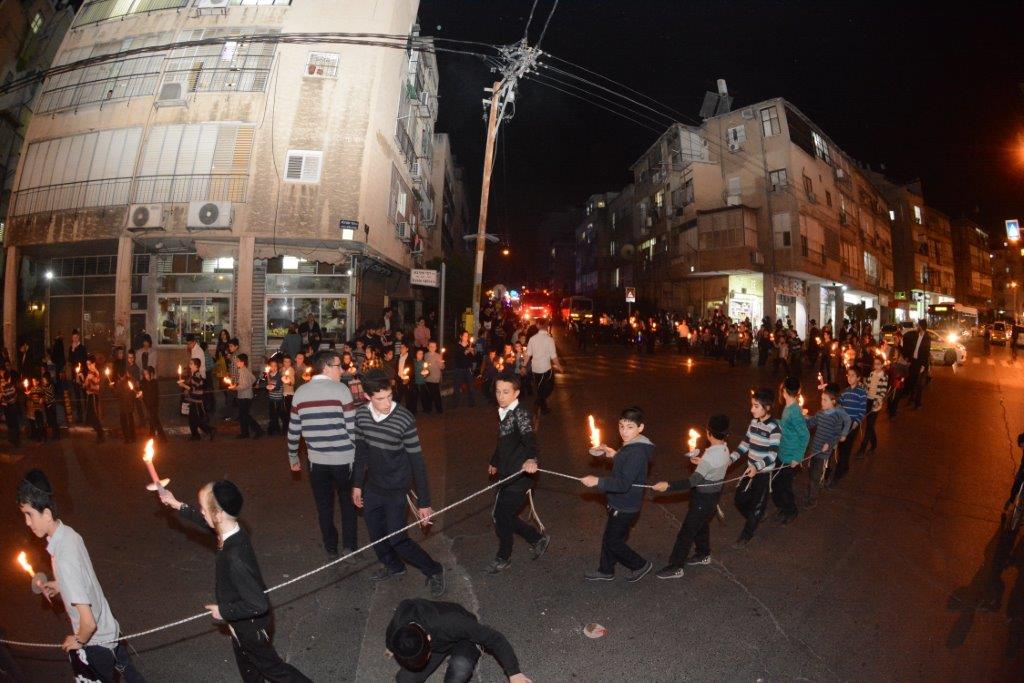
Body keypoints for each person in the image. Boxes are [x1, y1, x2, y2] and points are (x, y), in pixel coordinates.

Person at [157, 481, 312, 682]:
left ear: (218, 515)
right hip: (241, 624)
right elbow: (207, 522)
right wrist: (177, 504)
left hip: (251, 627)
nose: (202, 512)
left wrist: (223, 611)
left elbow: (257, 604)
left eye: (204, 509)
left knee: (274, 670)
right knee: (249, 669)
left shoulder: (235, 556)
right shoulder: (231, 530)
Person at [18, 470, 144, 682]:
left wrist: (78, 640)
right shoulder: (69, 534)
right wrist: (61, 585)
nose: (27, 522)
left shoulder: (63, 557)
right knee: (132, 676)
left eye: (29, 514)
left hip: (97, 644)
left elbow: (88, 622)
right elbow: (81, 577)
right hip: (110, 628)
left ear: (46, 514)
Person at [351, 371, 446, 595]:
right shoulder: (361, 416)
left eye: (389, 397)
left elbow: (418, 463)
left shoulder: (404, 418)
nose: (386, 404)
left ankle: (434, 570)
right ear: (367, 397)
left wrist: (424, 502)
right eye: (380, 399)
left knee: (397, 538)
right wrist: (356, 484)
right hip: (373, 486)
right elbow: (361, 452)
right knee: (375, 533)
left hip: (397, 488)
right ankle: (394, 566)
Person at [287, 350, 359, 561]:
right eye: (338, 366)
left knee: (324, 506)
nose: (342, 370)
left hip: (316, 463)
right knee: (348, 504)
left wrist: (293, 456)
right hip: (344, 460)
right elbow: (352, 429)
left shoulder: (300, 393)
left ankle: (330, 546)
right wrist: (361, 458)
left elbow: (293, 431)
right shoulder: (341, 391)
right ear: (326, 367)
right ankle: (349, 547)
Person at [579, 406, 655, 583]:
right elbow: (625, 462)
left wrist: (598, 481)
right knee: (609, 538)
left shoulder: (637, 452)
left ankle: (639, 565)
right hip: (619, 503)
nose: (624, 431)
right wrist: (612, 453)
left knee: (613, 541)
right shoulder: (633, 445)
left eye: (630, 427)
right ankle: (606, 570)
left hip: (625, 505)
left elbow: (623, 483)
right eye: (621, 426)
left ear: (640, 428)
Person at [653, 414, 732, 579]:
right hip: (713, 498)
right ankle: (703, 554)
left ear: (708, 433)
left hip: (703, 499)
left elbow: (693, 481)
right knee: (702, 525)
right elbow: (713, 467)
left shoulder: (710, 457)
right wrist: (702, 462)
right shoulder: (724, 449)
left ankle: (676, 566)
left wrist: (668, 486)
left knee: (686, 533)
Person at [486, 373, 548, 574]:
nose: (500, 396)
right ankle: (537, 538)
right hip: (507, 472)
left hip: (520, 476)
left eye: (506, 392)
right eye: (498, 391)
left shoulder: (520, 414)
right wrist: (495, 461)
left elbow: (530, 439)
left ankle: (504, 556)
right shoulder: (504, 411)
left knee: (500, 516)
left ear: (517, 393)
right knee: (504, 515)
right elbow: (503, 440)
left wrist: (532, 459)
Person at [387, 598, 532, 683]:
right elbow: (391, 637)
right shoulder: (398, 628)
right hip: (438, 643)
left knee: (459, 669)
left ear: (429, 638)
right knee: (404, 680)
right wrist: (393, 648)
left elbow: (495, 639)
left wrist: (514, 673)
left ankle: (476, 646)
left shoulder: (451, 622)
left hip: (464, 637)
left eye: (425, 657)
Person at [731, 388, 781, 549]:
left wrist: (757, 467)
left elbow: (773, 455)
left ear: (767, 408)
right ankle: (755, 517)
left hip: (763, 474)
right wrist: (730, 459)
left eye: (756, 406)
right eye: (752, 405)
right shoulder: (753, 422)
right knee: (739, 499)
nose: (752, 409)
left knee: (757, 506)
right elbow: (745, 444)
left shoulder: (774, 428)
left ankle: (747, 534)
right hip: (749, 471)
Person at [803, 384, 851, 508]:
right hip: (815, 449)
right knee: (811, 471)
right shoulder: (820, 414)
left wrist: (829, 444)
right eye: (821, 399)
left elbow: (836, 434)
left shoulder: (837, 417)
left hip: (824, 452)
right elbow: (810, 423)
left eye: (825, 400)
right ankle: (811, 492)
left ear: (833, 401)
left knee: (816, 475)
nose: (822, 402)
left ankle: (813, 499)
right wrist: (802, 417)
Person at [772, 377, 809, 524]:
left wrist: (797, 458)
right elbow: (787, 426)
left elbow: (805, 435)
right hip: (782, 453)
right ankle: (783, 507)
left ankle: (791, 510)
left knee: (784, 487)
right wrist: (775, 422)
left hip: (790, 457)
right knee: (776, 485)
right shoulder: (789, 407)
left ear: (784, 392)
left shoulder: (793, 411)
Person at [832, 366, 867, 485]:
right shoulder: (845, 391)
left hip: (852, 424)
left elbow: (862, 410)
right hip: (843, 423)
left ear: (858, 378)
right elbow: (839, 404)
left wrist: (856, 422)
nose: (849, 377)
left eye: (852, 375)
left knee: (846, 447)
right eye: (848, 375)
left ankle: (839, 471)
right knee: (842, 446)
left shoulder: (861, 393)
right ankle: (844, 466)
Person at [524, 319, 561, 416]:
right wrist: (559, 367)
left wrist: (524, 365)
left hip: (535, 368)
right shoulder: (549, 339)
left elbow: (528, 354)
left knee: (540, 388)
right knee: (549, 387)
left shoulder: (532, 339)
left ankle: (542, 406)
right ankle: (539, 402)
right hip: (545, 369)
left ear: (538, 326)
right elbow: (553, 356)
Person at [857, 355, 889, 456]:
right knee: (870, 425)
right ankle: (874, 443)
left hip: (876, 402)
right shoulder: (871, 374)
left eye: (878, 364)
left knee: (869, 426)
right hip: (868, 400)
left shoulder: (884, 376)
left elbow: (883, 391)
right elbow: (867, 387)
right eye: (875, 364)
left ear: (882, 364)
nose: (876, 366)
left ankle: (863, 448)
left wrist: (879, 402)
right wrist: (861, 384)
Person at [177, 358, 215, 441]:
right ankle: (196, 435)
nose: (189, 365)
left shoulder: (197, 375)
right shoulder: (193, 375)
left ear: (196, 366)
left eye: (191, 364)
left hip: (197, 401)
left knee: (196, 420)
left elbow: (194, 388)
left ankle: (209, 430)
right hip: (193, 400)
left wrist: (183, 385)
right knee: (192, 419)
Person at [228, 354, 264, 439]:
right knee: (243, 415)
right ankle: (245, 433)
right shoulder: (245, 370)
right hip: (246, 396)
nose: (236, 362)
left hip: (245, 397)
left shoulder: (242, 371)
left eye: (237, 361)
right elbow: (253, 379)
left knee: (245, 415)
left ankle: (258, 430)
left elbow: (244, 386)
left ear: (242, 362)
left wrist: (235, 388)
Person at [901, 319, 931, 409]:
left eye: (918, 325)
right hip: (914, 362)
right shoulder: (917, 335)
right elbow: (912, 347)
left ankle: (918, 404)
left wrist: (923, 366)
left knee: (919, 384)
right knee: (912, 381)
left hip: (920, 363)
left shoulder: (927, 337)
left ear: (921, 326)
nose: (917, 327)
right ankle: (911, 400)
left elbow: (926, 352)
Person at [139, 366, 168, 442]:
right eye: (144, 374)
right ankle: (151, 433)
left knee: (155, 420)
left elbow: (154, 395)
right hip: (147, 403)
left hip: (154, 404)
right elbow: (141, 390)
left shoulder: (154, 382)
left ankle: (163, 438)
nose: (146, 376)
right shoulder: (143, 382)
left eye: (147, 374)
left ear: (151, 374)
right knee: (152, 419)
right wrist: (140, 394)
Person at [81, 355, 105, 443]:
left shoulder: (93, 372)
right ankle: (100, 433)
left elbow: (88, 384)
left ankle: (100, 433)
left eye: (89, 364)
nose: (88, 366)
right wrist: (83, 378)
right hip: (90, 395)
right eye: (87, 364)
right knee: (91, 416)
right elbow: (85, 384)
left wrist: (86, 380)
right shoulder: (90, 372)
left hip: (94, 395)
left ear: (93, 363)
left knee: (93, 416)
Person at [450, 332, 476, 408]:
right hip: (459, 369)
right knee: (457, 387)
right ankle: (455, 403)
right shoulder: (457, 346)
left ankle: (472, 403)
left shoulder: (470, 345)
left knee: (471, 387)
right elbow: (456, 357)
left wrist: (472, 352)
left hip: (468, 369)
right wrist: (465, 352)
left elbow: (473, 359)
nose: (466, 337)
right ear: (461, 336)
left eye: (467, 336)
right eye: (465, 336)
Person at [265, 358, 287, 436]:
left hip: (278, 399)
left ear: (277, 367)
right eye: (272, 366)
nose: (273, 368)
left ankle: (285, 429)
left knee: (280, 414)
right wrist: (267, 376)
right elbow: (268, 384)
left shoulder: (279, 376)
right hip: (271, 398)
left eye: (275, 366)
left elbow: (276, 387)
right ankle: (274, 429)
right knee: (272, 414)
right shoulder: (269, 374)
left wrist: (271, 388)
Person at [423, 341, 444, 414]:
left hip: (435, 378)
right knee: (429, 394)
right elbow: (424, 365)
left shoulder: (438, 356)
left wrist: (441, 363)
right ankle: (428, 409)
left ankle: (439, 409)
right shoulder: (425, 355)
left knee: (436, 394)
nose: (432, 348)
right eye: (431, 346)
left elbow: (442, 367)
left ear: (436, 348)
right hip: (427, 377)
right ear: (428, 347)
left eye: (434, 347)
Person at [1, 368, 20, 447]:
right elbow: (14, 395)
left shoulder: (3, 387)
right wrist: (15, 396)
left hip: (7, 407)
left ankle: (12, 439)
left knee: (10, 424)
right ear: (9, 378)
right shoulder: (10, 386)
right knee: (15, 423)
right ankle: (16, 441)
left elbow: (4, 398)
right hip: (12, 406)